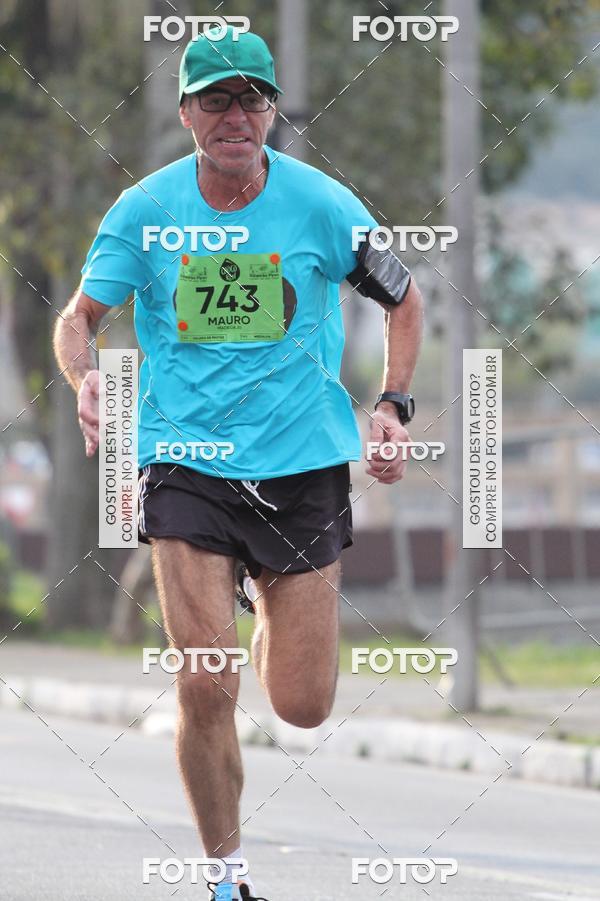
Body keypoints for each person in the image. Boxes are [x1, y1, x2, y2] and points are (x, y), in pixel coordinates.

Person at [53, 24, 424, 901]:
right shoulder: (144, 213)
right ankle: (226, 879)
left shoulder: (326, 206)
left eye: (251, 97)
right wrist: (85, 378)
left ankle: (262, 597)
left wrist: (393, 405)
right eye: (214, 97)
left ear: (271, 113)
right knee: (204, 679)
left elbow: (405, 300)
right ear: (186, 112)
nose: (234, 114)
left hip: (300, 465)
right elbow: (78, 318)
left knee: (301, 703)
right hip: (184, 464)